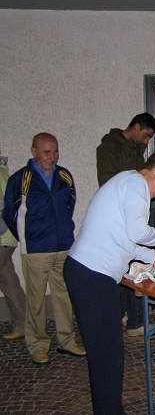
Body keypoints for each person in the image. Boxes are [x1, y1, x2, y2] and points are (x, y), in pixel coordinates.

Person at [64, 152, 155, 415]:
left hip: (87, 271)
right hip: (91, 274)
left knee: (107, 356)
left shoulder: (126, 181)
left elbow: (122, 239)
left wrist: (152, 255)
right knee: (107, 357)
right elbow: (137, 232)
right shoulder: (136, 184)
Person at [2, 133, 85, 364]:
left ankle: (66, 341)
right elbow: (10, 213)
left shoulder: (64, 175)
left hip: (63, 247)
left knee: (64, 296)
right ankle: (37, 345)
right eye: (47, 152)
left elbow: (70, 205)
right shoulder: (21, 179)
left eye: (55, 151)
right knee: (36, 300)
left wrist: (63, 232)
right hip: (36, 249)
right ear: (34, 151)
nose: (52, 157)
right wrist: (31, 237)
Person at [96, 112, 155, 337]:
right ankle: (134, 320)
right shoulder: (109, 147)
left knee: (132, 266)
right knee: (130, 268)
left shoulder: (136, 150)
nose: (146, 141)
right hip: (119, 218)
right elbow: (108, 182)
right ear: (136, 127)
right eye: (146, 135)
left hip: (131, 216)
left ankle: (132, 317)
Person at [0, 153, 26, 340]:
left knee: (9, 282)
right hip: (5, 237)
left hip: (2, 236)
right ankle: (24, 324)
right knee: (8, 282)